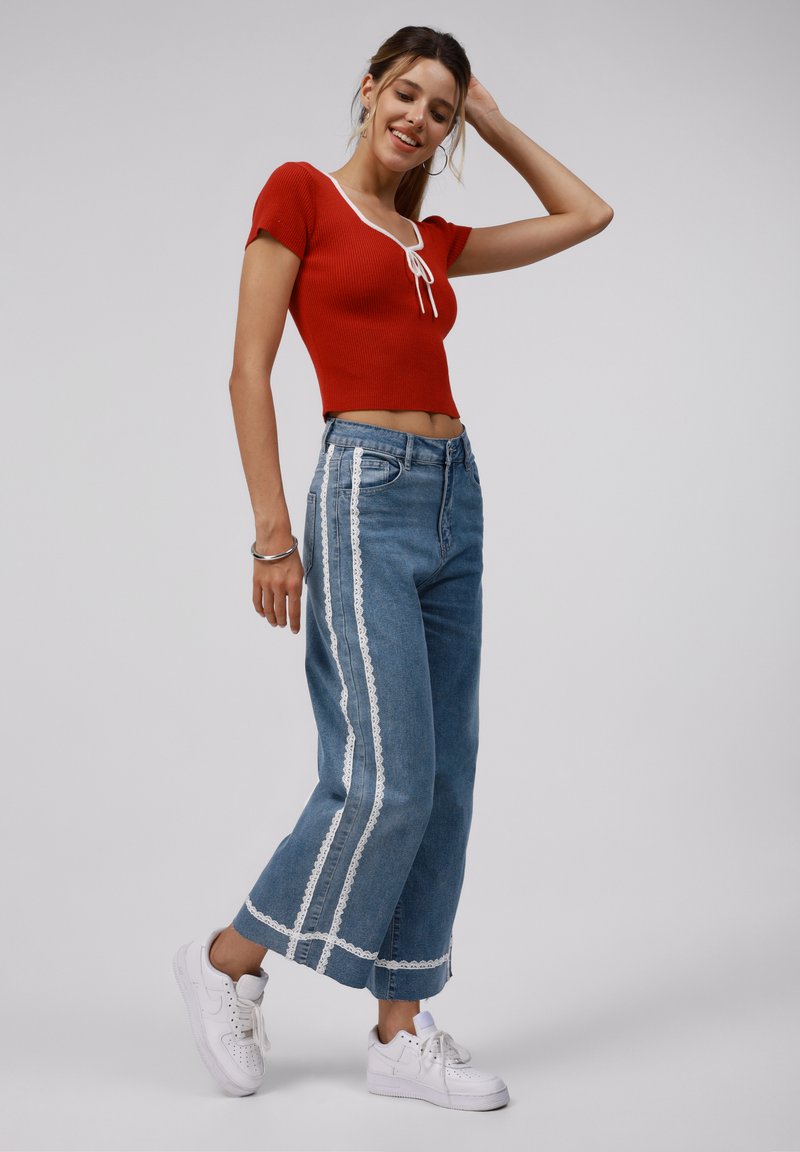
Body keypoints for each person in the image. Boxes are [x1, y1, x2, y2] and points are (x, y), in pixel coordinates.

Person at [174, 24, 612, 1111]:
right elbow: (246, 370)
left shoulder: (432, 242)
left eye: (441, 111)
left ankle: (399, 1030)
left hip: (455, 496)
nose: (420, 119)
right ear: (368, 89)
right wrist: (273, 534)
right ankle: (227, 959)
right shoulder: (301, 194)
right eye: (407, 94)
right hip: (363, 494)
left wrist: (493, 120)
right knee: (386, 778)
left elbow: (585, 215)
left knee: (446, 777)